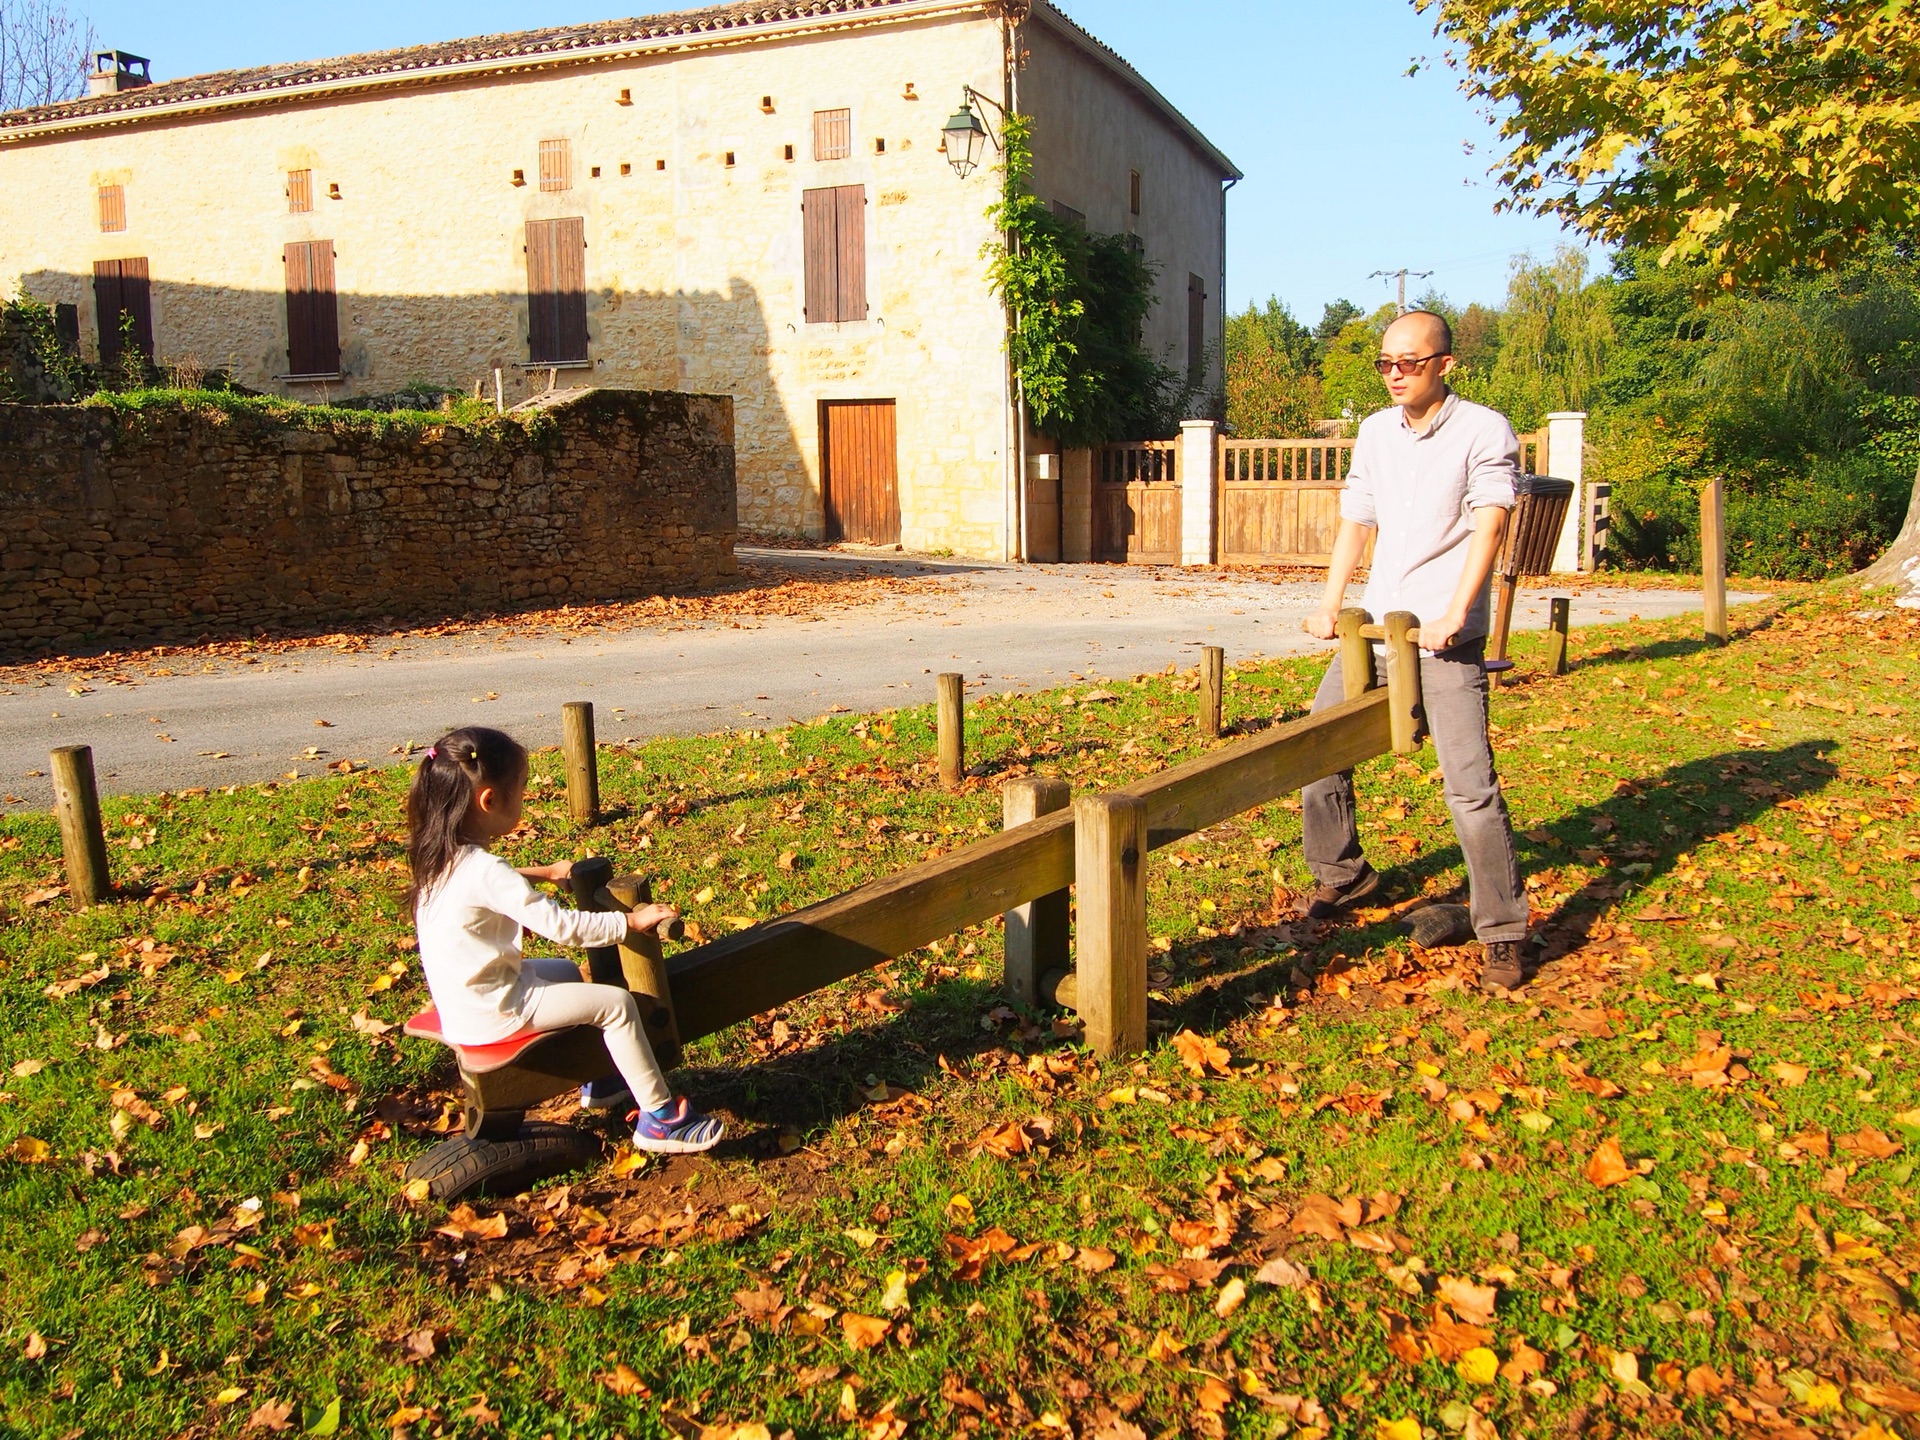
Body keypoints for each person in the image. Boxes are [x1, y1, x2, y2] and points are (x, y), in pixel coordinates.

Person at [1297, 309, 1531, 993]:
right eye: (1386, 363)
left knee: (1470, 789)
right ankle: (1345, 876)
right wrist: (1330, 602)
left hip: (1445, 636)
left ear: (1445, 365)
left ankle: (1504, 931)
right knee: (1319, 752)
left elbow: (1491, 525)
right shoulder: (1374, 431)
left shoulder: (1484, 430)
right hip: (1376, 631)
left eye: (1410, 362)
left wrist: (1458, 613)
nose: (1395, 373)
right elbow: (1356, 518)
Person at [404, 725, 725, 1153]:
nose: (525, 798)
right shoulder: (485, 871)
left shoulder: (438, 852)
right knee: (616, 1006)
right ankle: (661, 1120)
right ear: (489, 801)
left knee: (565, 974)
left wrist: (545, 873)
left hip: (465, 999)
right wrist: (631, 922)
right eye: (521, 790)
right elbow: (563, 927)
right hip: (494, 1011)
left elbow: (486, 885)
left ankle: (600, 1077)